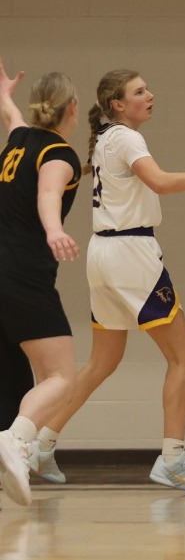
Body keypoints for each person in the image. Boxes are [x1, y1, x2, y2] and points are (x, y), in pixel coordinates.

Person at [40, 70, 185, 493]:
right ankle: (173, 459)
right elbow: (159, 181)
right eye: (140, 91)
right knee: (184, 358)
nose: (150, 95)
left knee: (102, 362)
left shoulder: (106, 138)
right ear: (118, 104)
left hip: (103, 253)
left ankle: (42, 442)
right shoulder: (126, 138)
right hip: (131, 254)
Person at [0, 61, 83, 507]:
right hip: (24, 272)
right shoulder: (60, 154)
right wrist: (53, 230)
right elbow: (48, 193)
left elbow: (11, 118)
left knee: (12, 379)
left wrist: (4, 95)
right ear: (72, 108)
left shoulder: (19, 140)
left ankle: (6, 460)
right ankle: (15, 441)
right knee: (61, 377)